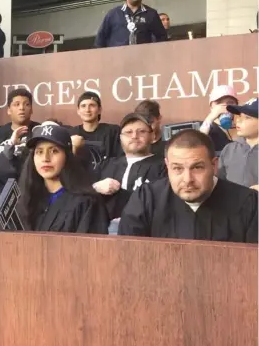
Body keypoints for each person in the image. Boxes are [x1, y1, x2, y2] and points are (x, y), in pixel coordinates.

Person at [118, 130, 258, 243]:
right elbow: (129, 258)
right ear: (167, 166)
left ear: (214, 165)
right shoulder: (146, 199)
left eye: (197, 167)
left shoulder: (248, 203)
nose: (187, 179)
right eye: (177, 168)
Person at [18, 125, 109, 234]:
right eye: (39, 152)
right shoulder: (26, 199)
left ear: (67, 156)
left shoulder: (86, 202)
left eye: (54, 151)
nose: (45, 159)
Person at [92, 113, 166, 224]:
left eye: (141, 131)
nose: (134, 136)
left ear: (152, 136)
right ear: (120, 138)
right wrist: (95, 187)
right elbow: (81, 192)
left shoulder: (163, 166)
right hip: (104, 231)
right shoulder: (106, 165)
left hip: (146, 231)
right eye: (128, 132)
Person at [95, 0, 167, 48]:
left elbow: (162, 37)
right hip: (119, 57)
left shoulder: (151, 14)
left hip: (143, 56)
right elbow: (101, 38)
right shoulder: (113, 13)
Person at [218, 98, 258, 189]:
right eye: (239, 116)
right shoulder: (229, 149)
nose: (238, 121)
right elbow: (219, 182)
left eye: (247, 117)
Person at [70, 92, 122, 161]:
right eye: (83, 106)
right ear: (78, 111)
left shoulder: (113, 132)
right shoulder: (70, 134)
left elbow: (121, 160)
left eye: (92, 105)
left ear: (99, 110)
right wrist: (74, 147)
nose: (87, 110)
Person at [0, 89, 40, 155]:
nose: (21, 108)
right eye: (17, 104)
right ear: (9, 110)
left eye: (26, 104)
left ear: (31, 110)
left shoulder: (40, 131)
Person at [199, 85, 238, 153]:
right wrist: (210, 118)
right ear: (211, 107)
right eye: (219, 103)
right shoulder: (207, 127)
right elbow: (197, 144)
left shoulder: (243, 126)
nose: (225, 107)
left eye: (230, 103)